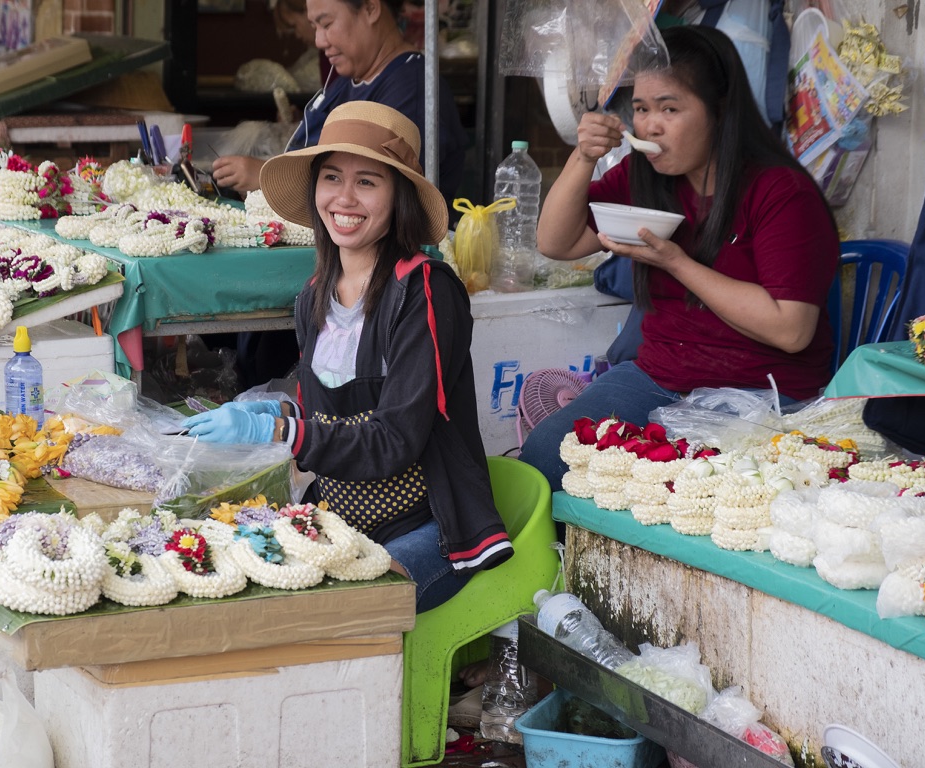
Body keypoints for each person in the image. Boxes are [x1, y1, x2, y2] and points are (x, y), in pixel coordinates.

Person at [183, 101, 512, 613]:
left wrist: (282, 434)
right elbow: (330, 417)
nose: (344, 198)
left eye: (367, 182)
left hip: (430, 525)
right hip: (343, 513)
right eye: (332, 177)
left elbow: (395, 437)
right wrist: (282, 413)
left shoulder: (425, 290)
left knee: (341, 612)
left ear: (398, 195)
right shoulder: (314, 293)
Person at [520, 24, 839, 493]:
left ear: (719, 111)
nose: (650, 125)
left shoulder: (780, 192)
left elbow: (790, 329)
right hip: (659, 375)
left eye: (670, 108)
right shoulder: (645, 176)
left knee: (676, 484)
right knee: (544, 458)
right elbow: (557, 243)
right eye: (642, 109)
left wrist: (675, 261)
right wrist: (583, 157)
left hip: (761, 392)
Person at [212, 0, 467, 209]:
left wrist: (266, 177)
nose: (319, 41)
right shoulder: (345, 81)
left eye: (326, 24)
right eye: (314, 27)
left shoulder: (411, 89)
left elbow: (373, 198)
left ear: (370, 8)